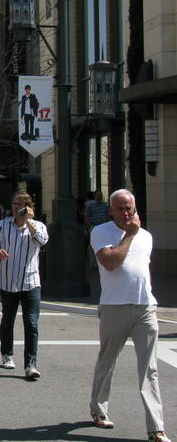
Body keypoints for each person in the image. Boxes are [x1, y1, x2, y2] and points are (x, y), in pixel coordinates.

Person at [88, 189, 170, 442]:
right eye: (120, 209)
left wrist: (149, 296)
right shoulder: (101, 232)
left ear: (135, 209)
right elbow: (111, 262)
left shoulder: (146, 236)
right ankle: (99, 408)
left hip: (145, 307)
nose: (126, 213)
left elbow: (143, 268)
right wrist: (129, 235)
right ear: (111, 210)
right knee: (107, 360)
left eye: (129, 208)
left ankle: (156, 428)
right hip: (114, 306)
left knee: (150, 369)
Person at [0, 192, 48, 380]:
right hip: (8, 280)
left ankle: (30, 364)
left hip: (31, 282)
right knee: (8, 320)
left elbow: (42, 241)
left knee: (31, 323)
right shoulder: (4, 225)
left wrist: (28, 221)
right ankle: (7, 354)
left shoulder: (38, 226)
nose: (15, 207)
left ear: (28, 207)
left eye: (20, 204)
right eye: (13, 203)